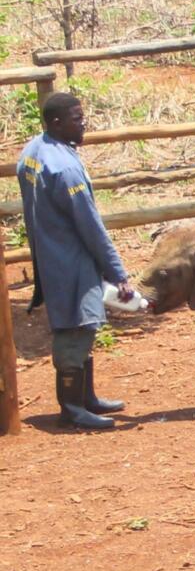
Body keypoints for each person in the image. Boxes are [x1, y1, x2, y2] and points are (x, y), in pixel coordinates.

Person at [16, 92, 135, 430]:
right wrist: (118, 273)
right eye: (76, 118)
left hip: (50, 252)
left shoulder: (34, 151)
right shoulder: (66, 169)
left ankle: (86, 397)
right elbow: (91, 228)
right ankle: (71, 408)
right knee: (75, 327)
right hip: (71, 259)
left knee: (83, 324)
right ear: (56, 123)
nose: (83, 123)